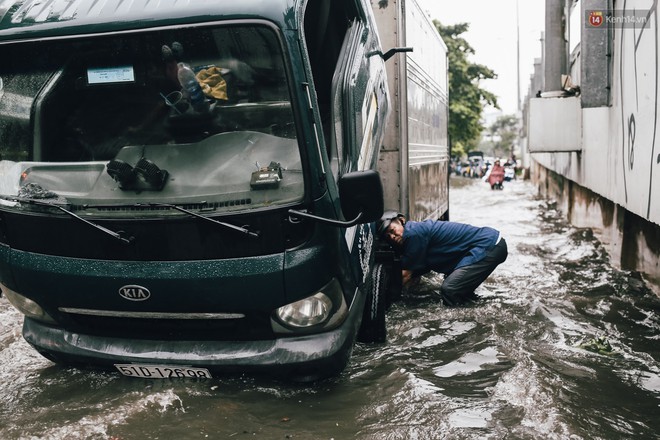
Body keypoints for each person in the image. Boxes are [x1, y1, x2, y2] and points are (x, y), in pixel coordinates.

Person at [377, 211, 508, 306]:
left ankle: (462, 323)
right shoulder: (413, 235)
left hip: (489, 245)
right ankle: (473, 307)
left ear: (401, 221)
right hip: (489, 244)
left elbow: (405, 275)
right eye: (388, 236)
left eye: (393, 230)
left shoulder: (413, 234)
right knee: (457, 286)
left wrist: (386, 303)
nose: (393, 236)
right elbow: (414, 275)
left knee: (450, 289)